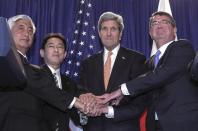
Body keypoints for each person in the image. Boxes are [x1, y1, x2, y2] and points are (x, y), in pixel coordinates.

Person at [99, 11, 198, 131]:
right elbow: (141, 94)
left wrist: (121, 90)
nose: (159, 25)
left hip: (182, 123)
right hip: (154, 125)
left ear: (174, 29)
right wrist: (105, 108)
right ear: (150, 32)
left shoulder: (182, 47)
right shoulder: (149, 63)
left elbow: (162, 74)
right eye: (154, 23)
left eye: (164, 22)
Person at [0, 14, 93, 131]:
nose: (26, 33)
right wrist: (75, 102)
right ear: (8, 32)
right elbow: (33, 81)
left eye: (30, 31)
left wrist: (87, 99)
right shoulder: (4, 59)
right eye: (21, 28)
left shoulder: (33, 69)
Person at [79, 12, 148, 131]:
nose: (109, 33)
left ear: (120, 34)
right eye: (104, 29)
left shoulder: (136, 59)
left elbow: (139, 102)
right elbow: (82, 92)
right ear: (99, 33)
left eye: (113, 29)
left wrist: (109, 110)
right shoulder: (88, 63)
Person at [40, 33, 84, 131]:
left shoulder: (71, 84)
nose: (56, 50)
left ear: (64, 54)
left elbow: (76, 117)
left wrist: (86, 110)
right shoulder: (35, 76)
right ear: (42, 53)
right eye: (51, 46)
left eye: (60, 47)